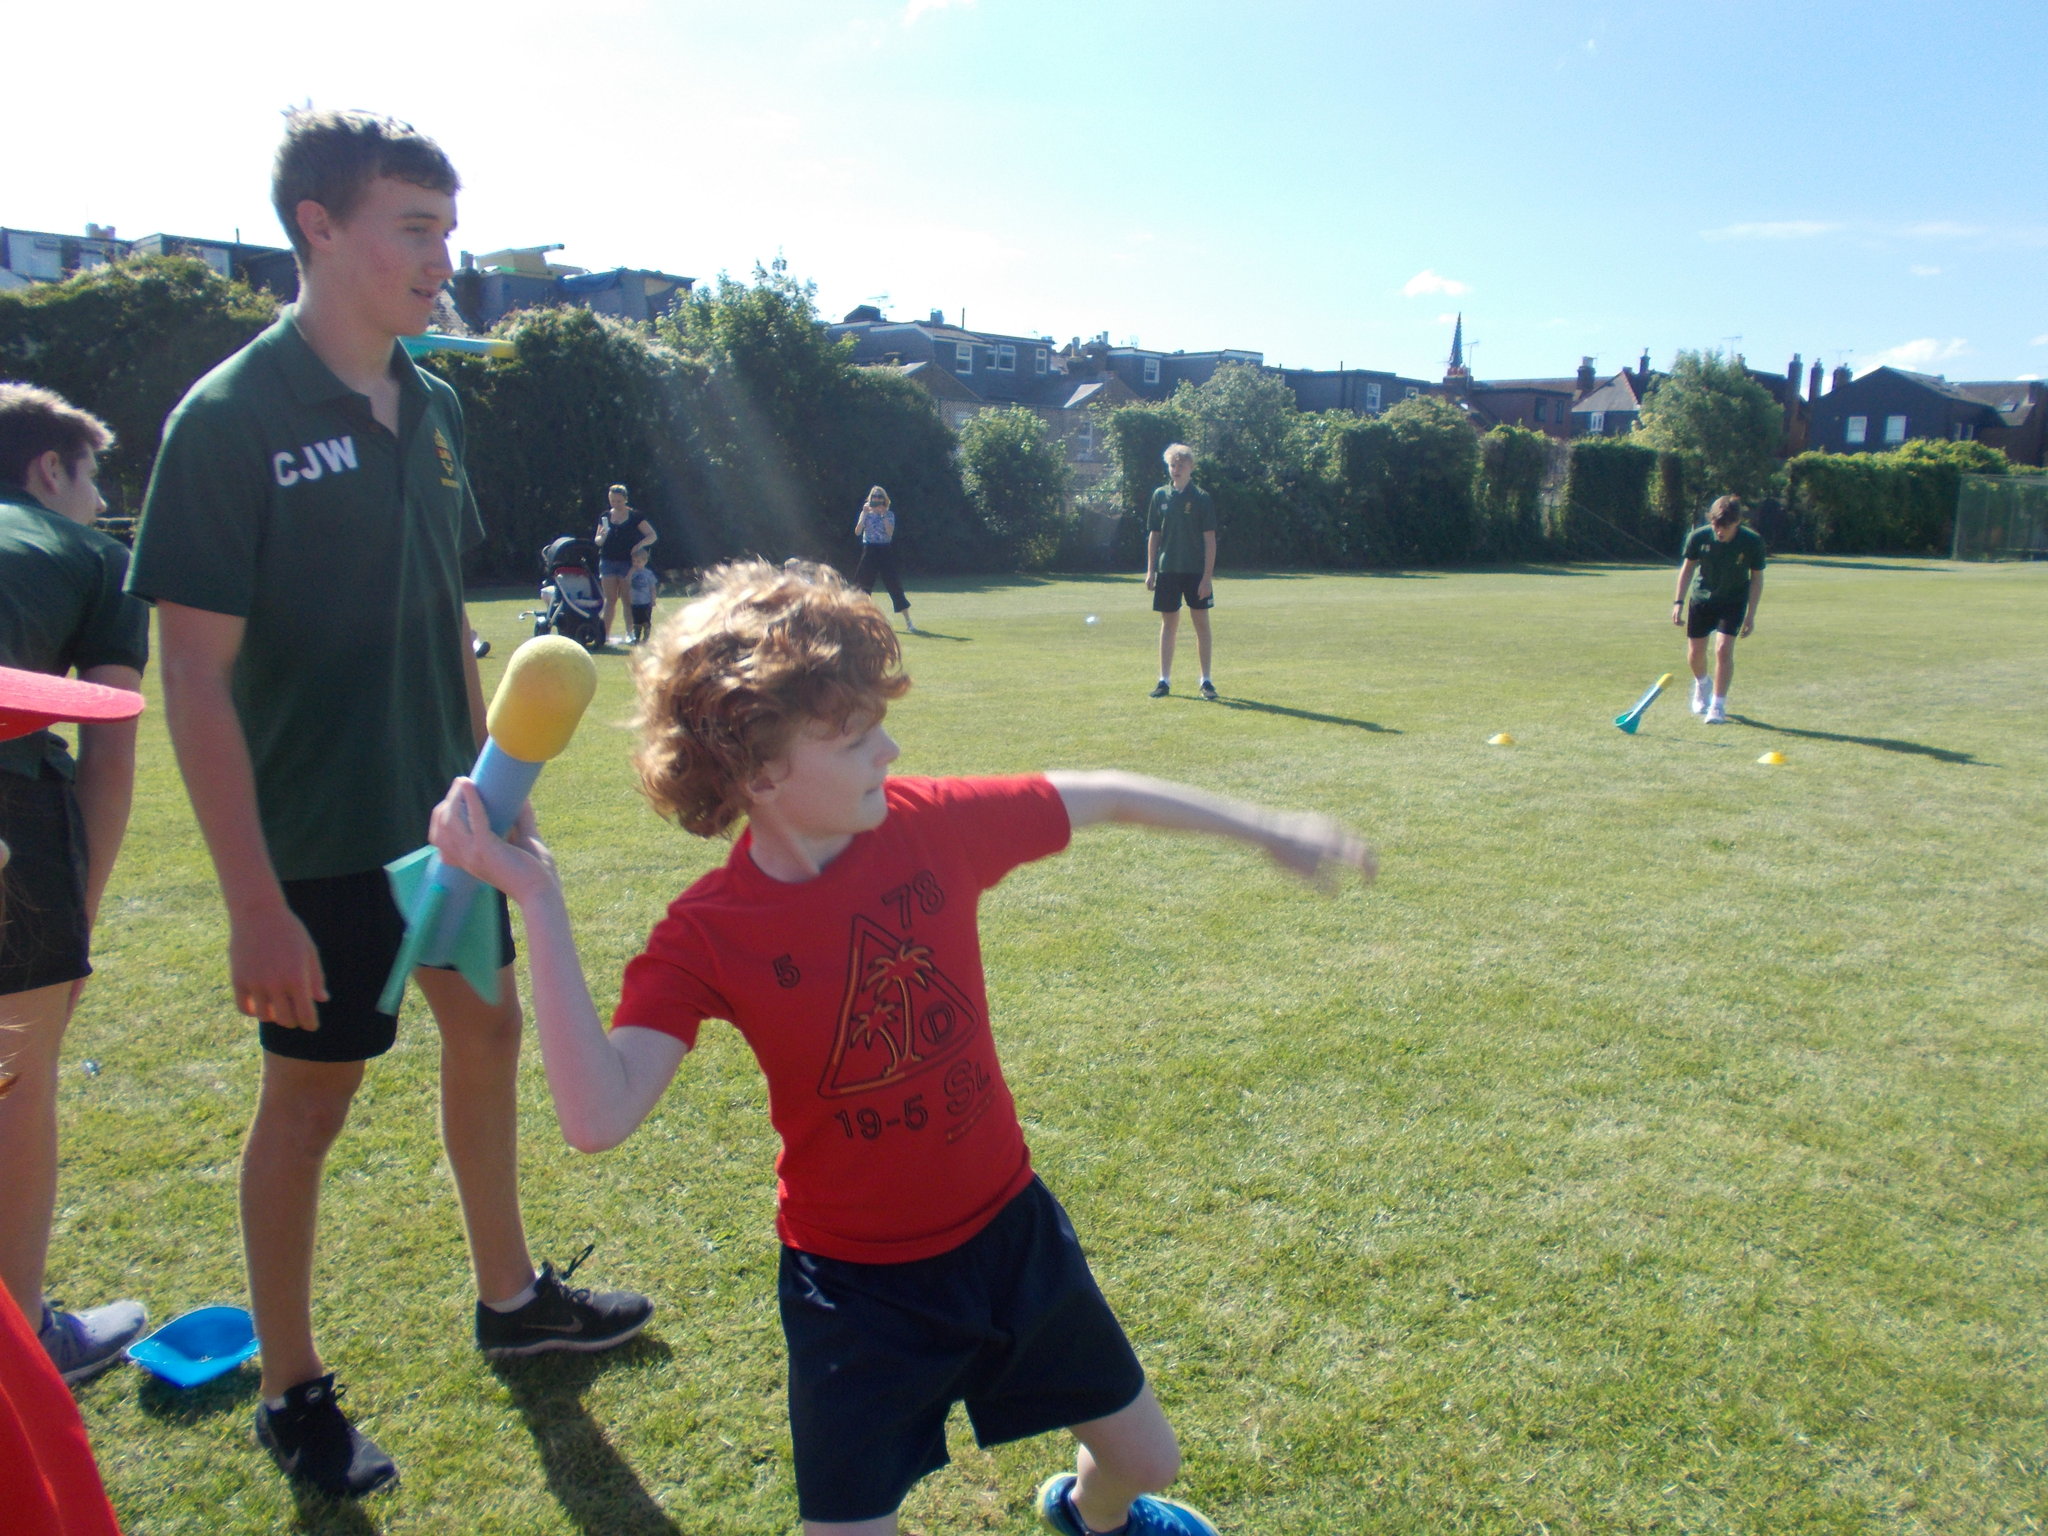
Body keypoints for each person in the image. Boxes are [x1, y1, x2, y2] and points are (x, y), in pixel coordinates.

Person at [426, 558, 1376, 1536]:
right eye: (852, 733)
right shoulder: (708, 932)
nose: (890, 747)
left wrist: (1264, 828)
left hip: (1010, 1236)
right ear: (760, 770)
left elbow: (1103, 795)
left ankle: (1086, 1515)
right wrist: (536, 895)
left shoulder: (931, 827)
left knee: (1146, 1458)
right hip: (854, 1292)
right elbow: (596, 1114)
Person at [127, 109, 650, 1501]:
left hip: (450, 822)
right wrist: (251, 903)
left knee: (485, 1028)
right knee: (311, 1104)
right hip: (316, 843)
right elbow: (192, 679)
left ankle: (509, 1299)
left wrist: (500, 785)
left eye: (447, 227)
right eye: (414, 226)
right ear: (321, 228)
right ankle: (295, 1392)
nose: (443, 256)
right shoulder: (228, 423)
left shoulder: (435, 407)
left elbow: (439, 617)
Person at [0, 384, 150, 1385]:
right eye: (93, 478)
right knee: (14, 1076)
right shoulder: (96, 558)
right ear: (51, 470)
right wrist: (77, 928)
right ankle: (22, 1334)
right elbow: (110, 746)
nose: (100, 501)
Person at [1672, 494, 1766, 725]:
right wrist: (1678, 602)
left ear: (1737, 522)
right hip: (1702, 599)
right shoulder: (1699, 537)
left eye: (1725, 526)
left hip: (1733, 601)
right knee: (1695, 654)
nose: (1719, 531)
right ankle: (1702, 684)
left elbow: (1757, 578)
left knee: (1723, 650)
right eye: (1715, 525)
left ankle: (1717, 704)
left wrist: (1751, 615)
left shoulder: (1752, 542)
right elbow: (1687, 570)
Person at [1143, 445, 1216, 700]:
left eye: (1181, 465)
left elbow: (1210, 540)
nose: (1176, 470)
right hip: (1168, 570)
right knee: (1168, 624)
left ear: (1190, 468)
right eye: (1173, 465)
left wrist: (1207, 577)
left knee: (1201, 625)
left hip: (1195, 572)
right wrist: (1151, 570)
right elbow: (1154, 534)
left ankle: (1206, 680)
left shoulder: (1201, 498)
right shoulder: (1160, 496)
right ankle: (1164, 680)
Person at [596, 483, 658, 645]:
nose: (615, 504)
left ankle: (630, 633)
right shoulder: (605, 516)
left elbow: (652, 535)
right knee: (610, 600)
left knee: (627, 599)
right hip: (608, 561)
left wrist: (639, 545)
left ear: (625, 499)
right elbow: (597, 541)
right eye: (612, 500)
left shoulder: (635, 516)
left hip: (628, 563)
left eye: (618, 501)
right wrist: (601, 537)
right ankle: (605, 634)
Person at [852, 484, 915, 633]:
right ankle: (860, 619)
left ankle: (909, 622)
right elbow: (857, 532)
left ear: (884, 499)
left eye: (880, 497)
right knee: (862, 586)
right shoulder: (865, 512)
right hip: (869, 550)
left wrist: (882, 514)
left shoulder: (889, 514)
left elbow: (889, 533)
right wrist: (864, 514)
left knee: (894, 585)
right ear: (870, 498)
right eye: (874, 497)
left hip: (884, 550)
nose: (877, 499)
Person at [627, 546, 658, 645]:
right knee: (636, 622)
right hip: (635, 602)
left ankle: (646, 638)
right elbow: (626, 582)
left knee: (645, 621)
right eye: (634, 561)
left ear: (645, 562)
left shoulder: (648, 574)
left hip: (646, 602)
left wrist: (653, 599)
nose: (636, 564)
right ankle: (637, 638)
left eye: (639, 561)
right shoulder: (631, 573)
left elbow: (652, 588)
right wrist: (631, 572)